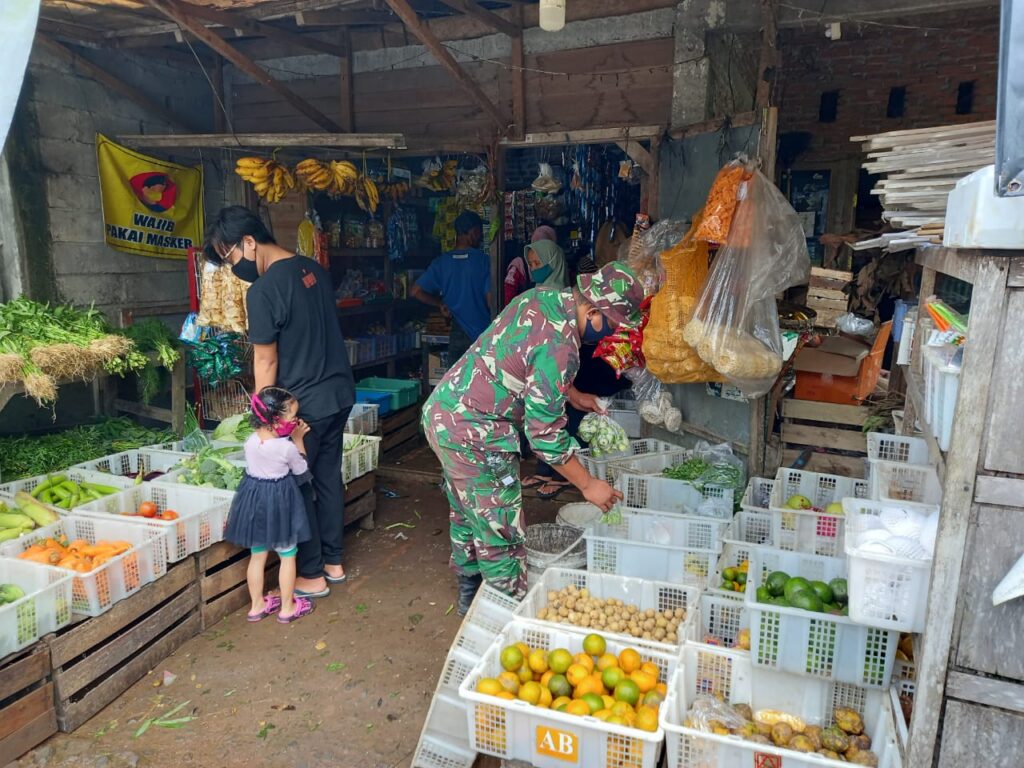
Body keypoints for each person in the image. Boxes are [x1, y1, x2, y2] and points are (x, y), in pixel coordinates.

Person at [421, 262, 644, 613]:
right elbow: (544, 436)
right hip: (476, 431)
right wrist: (588, 485)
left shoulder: (543, 299)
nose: (609, 335)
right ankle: (503, 612)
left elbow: (527, 358)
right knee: (501, 526)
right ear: (597, 313)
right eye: (613, 326)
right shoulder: (564, 345)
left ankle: (470, 589)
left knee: (468, 509)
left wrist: (573, 394)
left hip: (445, 413)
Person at [204, 206, 354, 599]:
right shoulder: (314, 270)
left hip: (301, 407)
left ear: (249, 242)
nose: (234, 267)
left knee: (297, 486)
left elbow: (266, 359)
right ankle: (333, 562)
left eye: (231, 257)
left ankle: (311, 574)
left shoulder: (265, 291)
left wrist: (264, 421)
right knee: (327, 477)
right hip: (338, 394)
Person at [225, 387, 315, 624]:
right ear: (276, 420)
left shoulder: (250, 441)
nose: (294, 421)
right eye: (291, 418)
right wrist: (298, 440)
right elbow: (301, 471)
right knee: (287, 555)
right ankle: (287, 607)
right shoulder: (285, 447)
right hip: (281, 501)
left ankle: (257, 606)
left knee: (257, 555)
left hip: (254, 499)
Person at [412, 211, 492, 360]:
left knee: (455, 381)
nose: (481, 237)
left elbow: (416, 291)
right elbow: (491, 300)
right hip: (482, 334)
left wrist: (440, 303)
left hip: (456, 333)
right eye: (480, 232)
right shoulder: (484, 262)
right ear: (473, 232)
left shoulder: (442, 263)